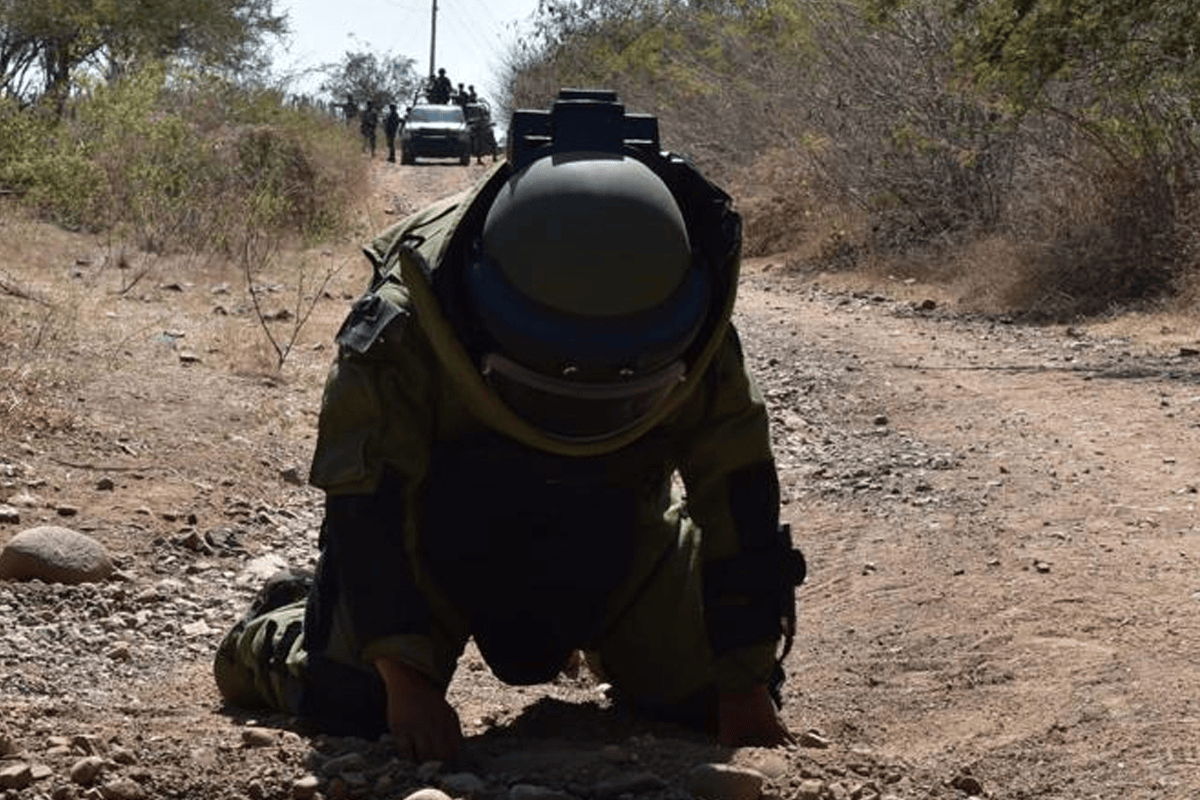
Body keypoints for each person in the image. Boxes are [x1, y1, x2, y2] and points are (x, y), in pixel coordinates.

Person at [213, 89, 805, 763]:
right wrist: (402, 683)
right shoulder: (410, 318)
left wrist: (745, 683)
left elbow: (741, 501)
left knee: (714, 693)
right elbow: (365, 501)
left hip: (621, 540)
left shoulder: (698, 332)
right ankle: (288, 623)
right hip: (438, 546)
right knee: (350, 702)